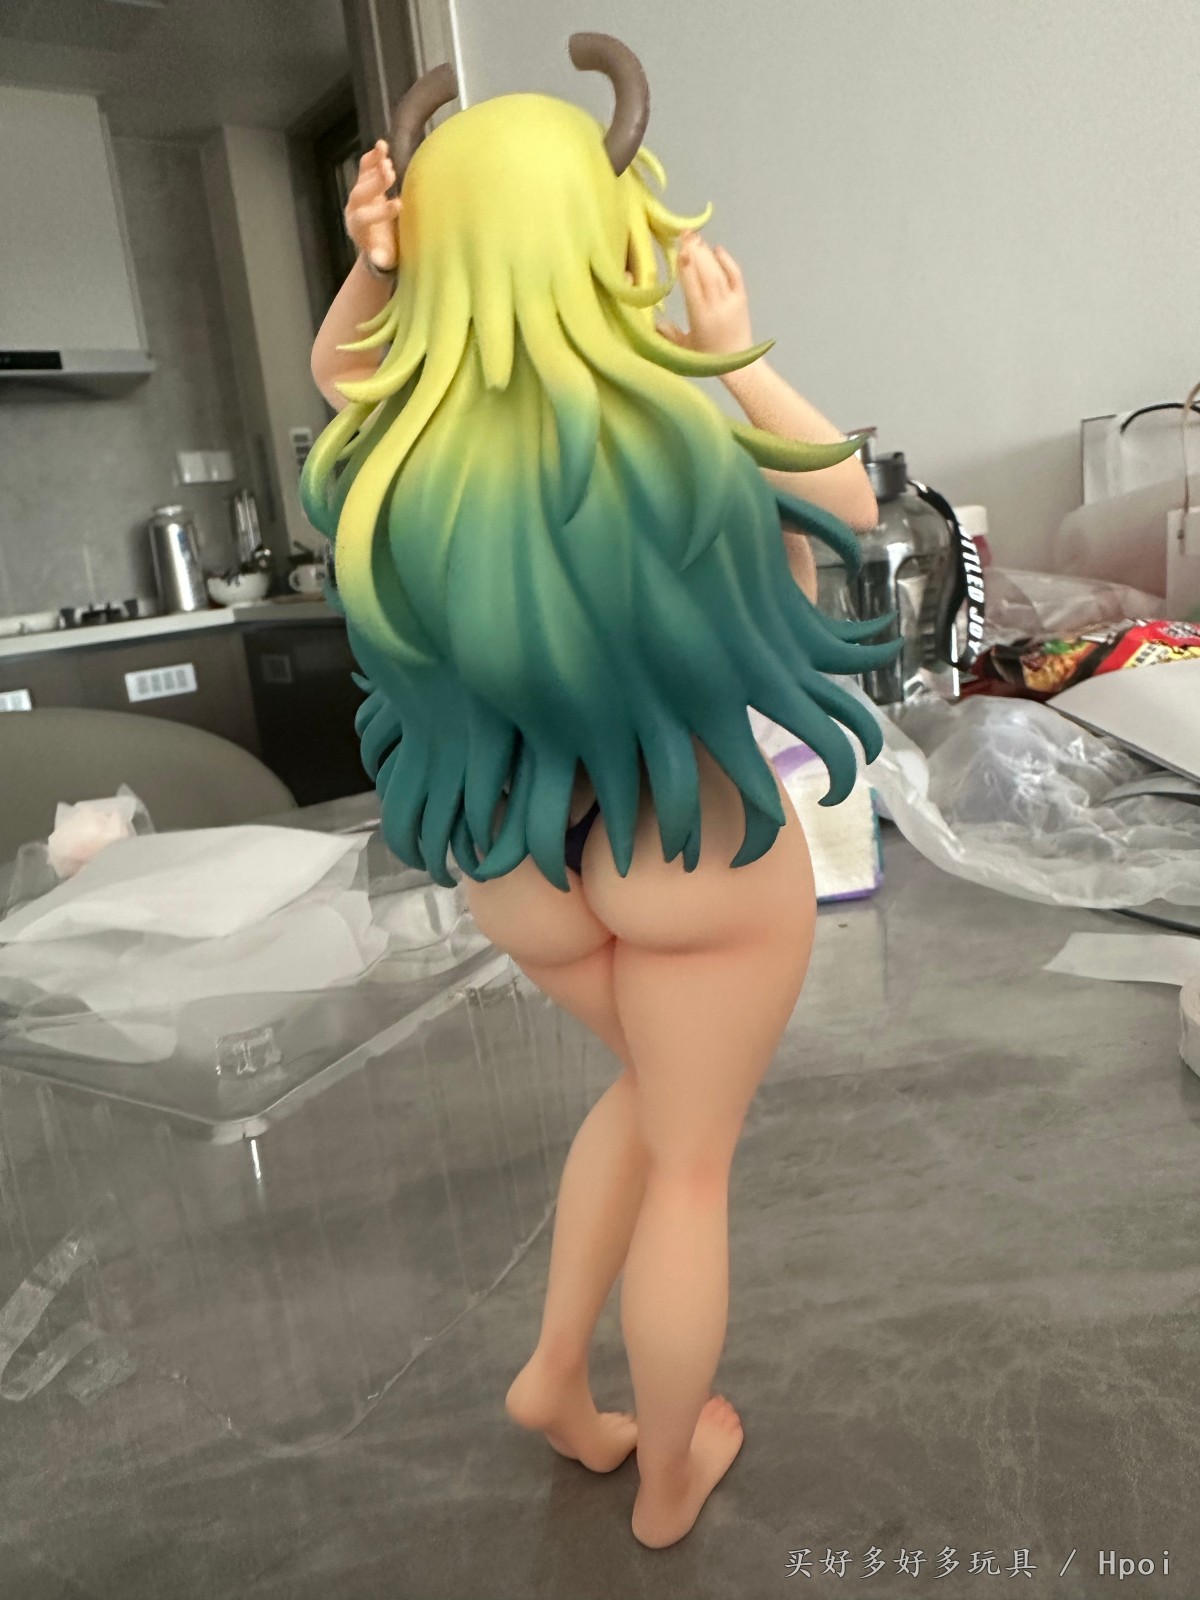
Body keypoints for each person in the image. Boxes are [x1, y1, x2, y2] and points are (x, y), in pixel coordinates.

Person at [303, 37, 896, 1549]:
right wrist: (733, 345)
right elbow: (846, 498)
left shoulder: (396, 444)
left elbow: (340, 373)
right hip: (687, 843)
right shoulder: (669, 420)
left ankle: (558, 1377)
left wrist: (372, 271)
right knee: (690, 1160)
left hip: (516, 857)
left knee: (645, 1096)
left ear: (433, 250)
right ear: (617, 234)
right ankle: (672, 1473)